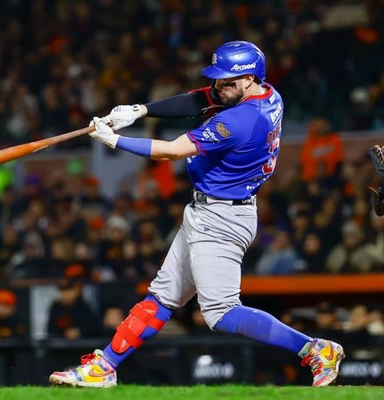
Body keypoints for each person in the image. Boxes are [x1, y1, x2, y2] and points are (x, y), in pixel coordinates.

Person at [49, 41, 345, 388]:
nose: (219, 86)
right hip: (210, 210)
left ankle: (315, 349)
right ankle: (105, 366)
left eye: (228, 81)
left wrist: (115, 140)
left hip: (223, 218)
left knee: (220, 312)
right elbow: (202, 99)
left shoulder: (241, 120)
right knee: (162, 297)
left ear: (250, 79)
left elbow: (172, 151)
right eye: (218, 78)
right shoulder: (267, 94)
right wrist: (141, 111)